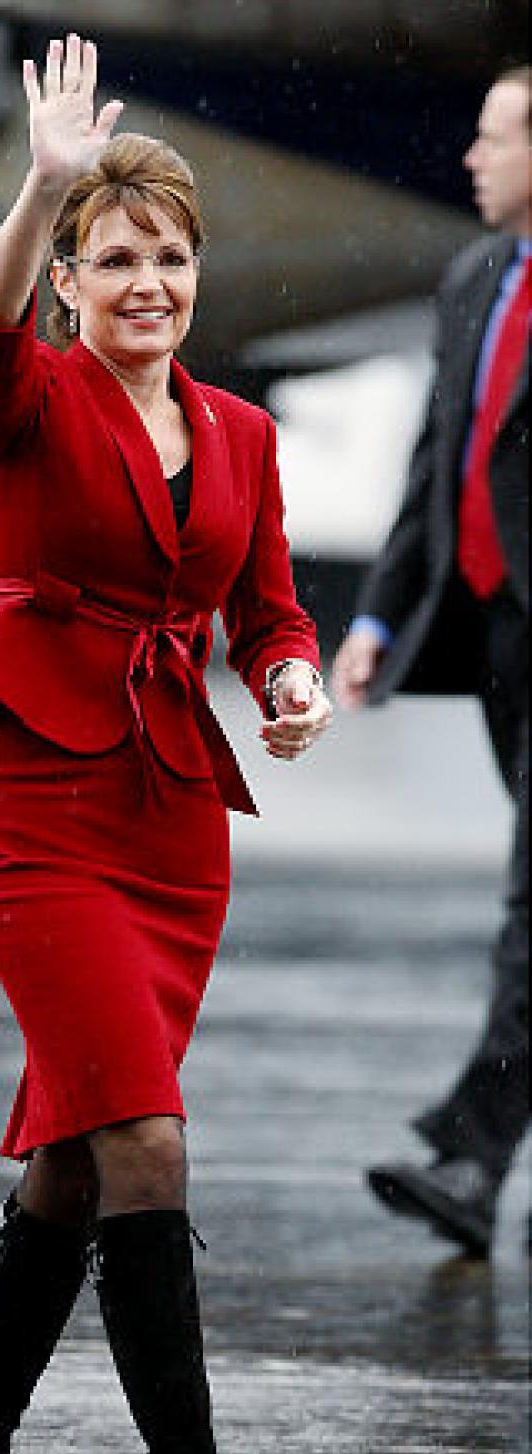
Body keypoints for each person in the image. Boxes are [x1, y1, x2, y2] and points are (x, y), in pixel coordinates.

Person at [0, 36, 331, 1454]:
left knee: (81, 1163)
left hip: (174, 818)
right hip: (37, 805)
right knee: (146, 1138)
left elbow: (268, 606)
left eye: (168, 258)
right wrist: (41, 188)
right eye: (115, 259)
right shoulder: (27, 396)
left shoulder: (241, 434)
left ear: (196, 275)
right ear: (72, 281)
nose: (146, 283)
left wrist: (288, 679)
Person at [332, 66, 529, 1258]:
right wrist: (376, 619)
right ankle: (475, 1161)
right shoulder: (474, 281)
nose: (470, 157)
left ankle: (472, 1154)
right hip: (500, 635)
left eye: (495, 138)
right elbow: (434, 469)